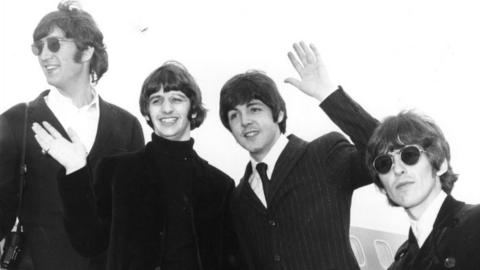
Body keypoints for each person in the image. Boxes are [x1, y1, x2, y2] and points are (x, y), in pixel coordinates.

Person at [31, 61, 241, 270]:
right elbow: (88, 243)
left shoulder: (219, 186)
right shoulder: (116, 171)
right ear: (147, 112)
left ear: (193, 111)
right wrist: (75, 169)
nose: (166, 108)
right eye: (156, 100)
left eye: (177, 99)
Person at [0, 2, 144, 269]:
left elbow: (134, 222)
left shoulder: (127, 126)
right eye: (38, 47)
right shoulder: (14, 122)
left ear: (87, 49)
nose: (44, 55)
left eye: (54, 44)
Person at [219, 41, 378, 270]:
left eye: (254, 109)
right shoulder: (238, 199)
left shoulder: (325, 154)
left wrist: (330, 96)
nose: (244, 121)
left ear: (279, 113)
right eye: (234, 115)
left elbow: (388, 152)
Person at [365, 111, 480, 270]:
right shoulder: (398, 266)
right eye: (384, 163)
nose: (397, 169)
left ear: (440, 165)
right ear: (383, 186)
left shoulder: (475, 224)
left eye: (409, 155)